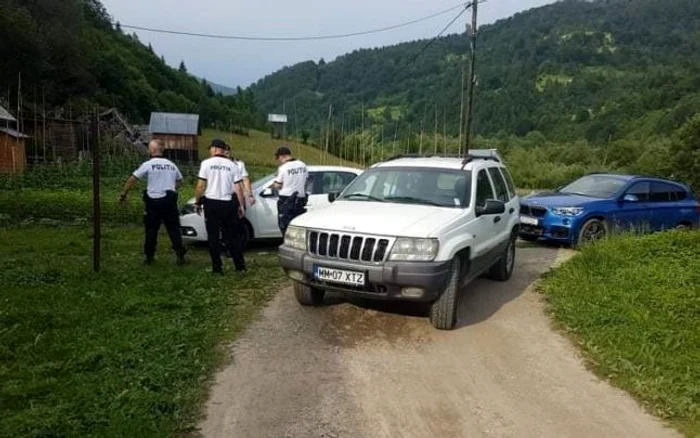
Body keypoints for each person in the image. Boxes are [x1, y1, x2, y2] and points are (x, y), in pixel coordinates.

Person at [118, 139, 187, 266]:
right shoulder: (171, 164)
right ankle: (180, 254)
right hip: (169, 200)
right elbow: (181, 181)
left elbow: (132, 179)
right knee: (173, 229)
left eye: (149, 148)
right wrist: (171, 187)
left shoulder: (148, 164)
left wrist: (123, 193)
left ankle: (149, 257)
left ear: (153, 150)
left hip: (153, 202)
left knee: (151, 229)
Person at [195, 139, 246, 274]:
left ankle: (217, 268)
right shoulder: (232, 165)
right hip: (228, 203)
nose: (210, 151)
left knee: (213, 236)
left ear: (215, 149)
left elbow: (200, 185)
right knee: (233, 236)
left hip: (211, 203)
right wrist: (241, 206)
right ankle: (240, 266)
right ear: (224, 150)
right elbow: (238, 188)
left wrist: (197, 201)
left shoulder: (206, 163)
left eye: (211, 148)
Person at [272, 146, 308, 236]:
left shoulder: (283, 168)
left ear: (282, 156)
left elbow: (278, 185)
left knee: (285, 226)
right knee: (298, 226)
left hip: (286, 201)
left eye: (279, 158)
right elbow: (306, 180)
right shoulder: (302, 164)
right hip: (300, 200)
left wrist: (274, 184)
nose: (279, 160)